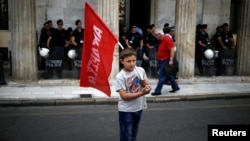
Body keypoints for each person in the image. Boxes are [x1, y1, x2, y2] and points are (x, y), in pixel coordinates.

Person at [115, 48, 151, 141]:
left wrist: (146, 86)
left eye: (134, 60)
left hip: (138, 107)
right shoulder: (120, 76)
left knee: (134, 134)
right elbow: (124, 96)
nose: (132, 63)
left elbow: (145, 84)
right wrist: (142, 93)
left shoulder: (140, 70)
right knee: (126, 136)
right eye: (128, 61)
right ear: (122, 61)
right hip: (126, 109)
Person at [151, 28, 180, 95]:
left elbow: (172, 49)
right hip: (162, 60)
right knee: (168, 75)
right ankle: (175, 87)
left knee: (161, 75)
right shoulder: (162, 39)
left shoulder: (166, 39)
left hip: (165, 61)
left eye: (156, 35)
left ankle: (157, 91)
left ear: (159, 34)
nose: (155, 36)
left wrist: (171, 60)